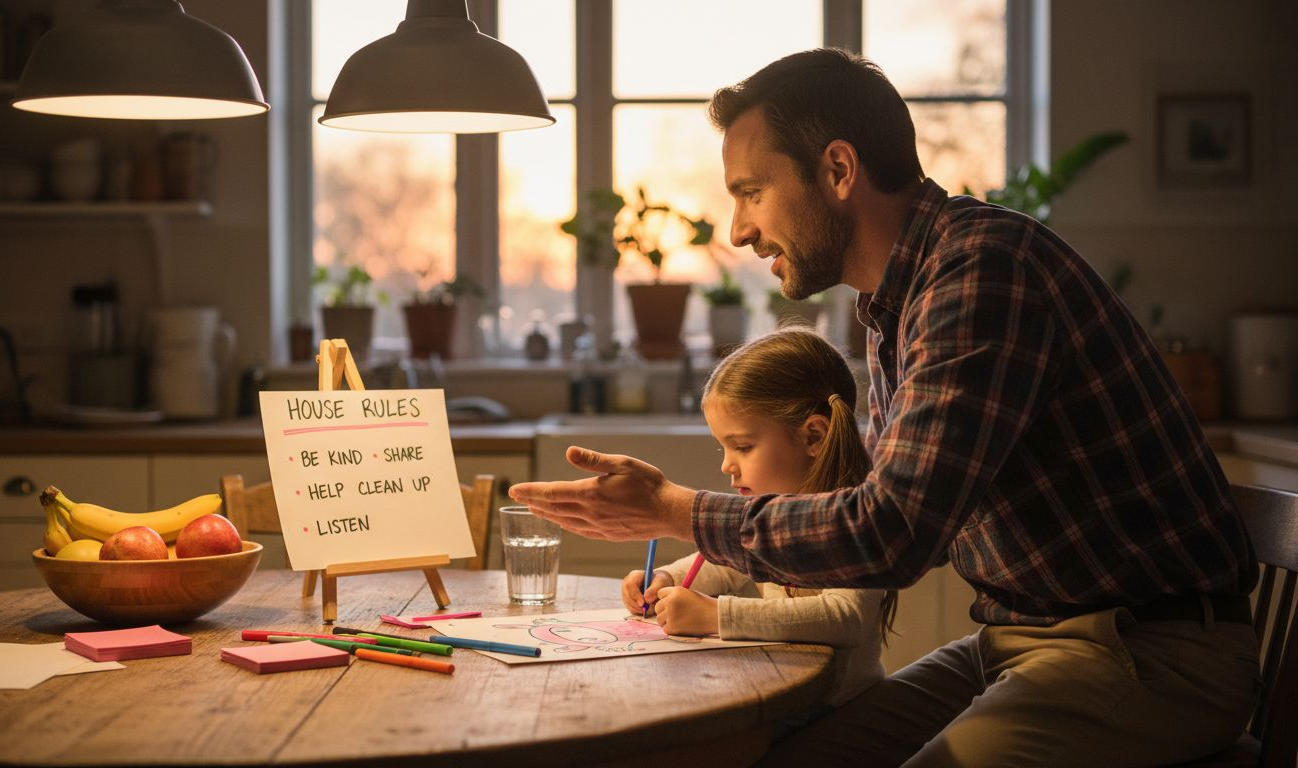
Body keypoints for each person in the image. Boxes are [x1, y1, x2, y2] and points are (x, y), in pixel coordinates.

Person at [511, 47, 1259, 767]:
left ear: (837, 170)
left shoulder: (980, 273)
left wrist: (678, 509)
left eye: (751, 192)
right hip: (1020, 645)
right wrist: (702, 561)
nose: (739, 229)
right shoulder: (897, 304)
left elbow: (894, 533)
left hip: (1145, 656)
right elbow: (899, 526)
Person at [624, 328, 895, 713]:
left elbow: (844, 617)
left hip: (844, 717)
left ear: (813, 437)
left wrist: (715, 616)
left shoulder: (852, 517)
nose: (726, 465)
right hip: (788, 709)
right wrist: (663, 578)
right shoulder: (771, 514)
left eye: (743, 447)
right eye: (724, 446)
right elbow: (726, 567)